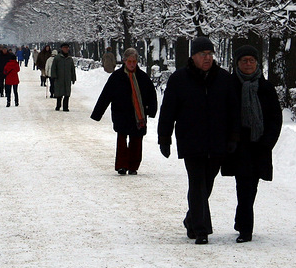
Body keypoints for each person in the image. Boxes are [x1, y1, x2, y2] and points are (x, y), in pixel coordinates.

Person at [158, 36, 236, 245]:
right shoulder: (179, 79)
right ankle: (202, 230)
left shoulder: (224, 79)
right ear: (193, 56)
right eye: (203, 54)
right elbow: (168, 111)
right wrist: (164, 138)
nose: (207, 58)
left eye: (210, 54)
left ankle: (191, 219)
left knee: (206, 184)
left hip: (217, 142)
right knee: (197, 183)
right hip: (191, 141)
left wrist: (232, 138)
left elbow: (233, 113)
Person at [223, 45, 282, 243]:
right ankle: (246, 229)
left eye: (251, 60)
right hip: (238, 145)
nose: (248, 64)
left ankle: (242, 221)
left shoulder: (266, 87)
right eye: (244, 60)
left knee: (252, 187)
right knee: (243, 186)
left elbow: (275, 117)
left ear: (257, 63)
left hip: (259, 144)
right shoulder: (230, 85)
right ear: (237, 63)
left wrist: (268, 142)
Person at [91, 48, 158, 175]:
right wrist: (97, 113)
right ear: (124, 61)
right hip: (121, 113)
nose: (132, 64)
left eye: (134, 61)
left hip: (138, 115)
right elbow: (106, 95)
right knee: (121, 140)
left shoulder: (143, 77)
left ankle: (133, 166)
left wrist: (152, 110)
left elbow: (151, 95)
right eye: (129, 61)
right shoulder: (116, 77)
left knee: (136, 140)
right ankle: (121, 165)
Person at [49, 42, 76, 111]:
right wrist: (53, 76)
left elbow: (72, 69)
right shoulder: (57, 58)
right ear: (61, 48)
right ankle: (58, 105)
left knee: (67, 93)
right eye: (65, 48)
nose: (66, 49)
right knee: (59, 93)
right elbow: (53, 67)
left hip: (67, 78)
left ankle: (65, 107)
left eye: (67, 48)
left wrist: (73, 78)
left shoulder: (70, 59)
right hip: (59, 78)